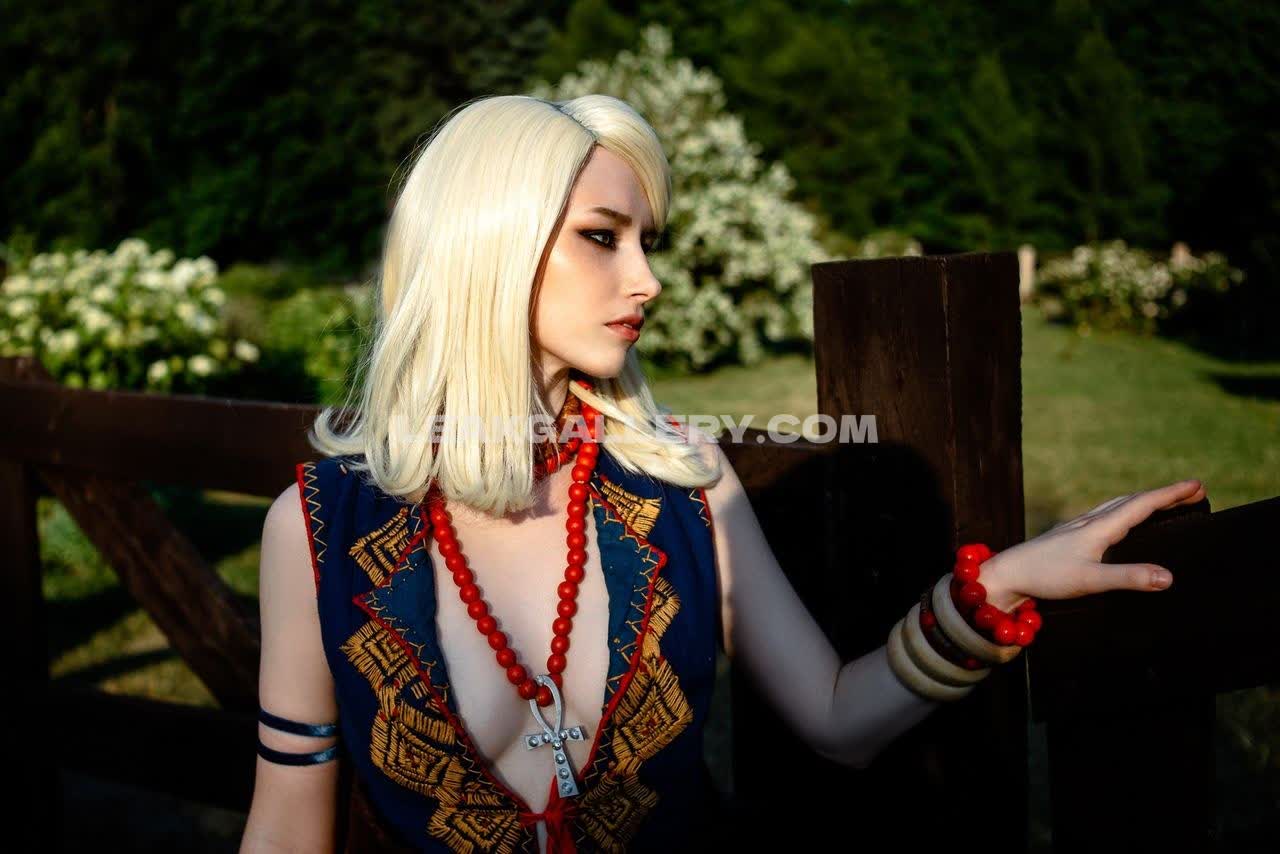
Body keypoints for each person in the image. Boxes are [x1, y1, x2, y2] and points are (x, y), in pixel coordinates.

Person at [239, 93, 1207, 853]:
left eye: (646, 242)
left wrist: (999, 587)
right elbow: (285, 826)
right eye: (601, 235)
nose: (647, 279)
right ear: (487, 244)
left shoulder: (686, 485)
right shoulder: (316, 530)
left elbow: (837, 717)